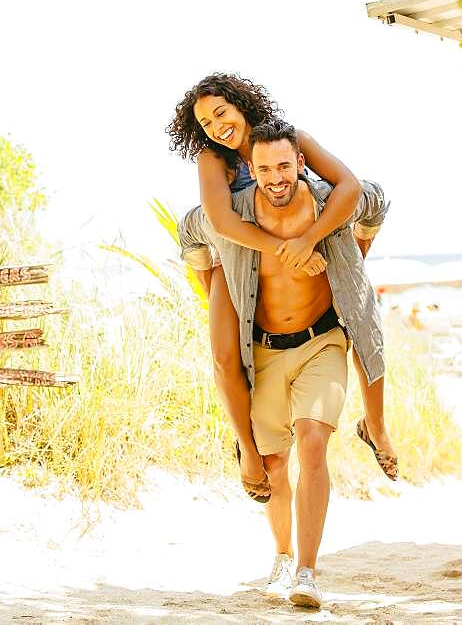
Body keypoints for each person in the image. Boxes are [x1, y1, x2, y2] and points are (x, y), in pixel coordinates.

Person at [178, 120, 389, 608]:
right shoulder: (231, 216)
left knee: (314, 441)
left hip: (322, 342)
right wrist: (211, 289)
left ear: (300, 164)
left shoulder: (326, 203)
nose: (276, 177)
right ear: (250, 169)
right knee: (275, 464)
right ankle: (281, 554)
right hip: (265, 349)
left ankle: (307, 572)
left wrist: (357, 251)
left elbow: (375, 198)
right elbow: (188, 233)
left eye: (285, 166)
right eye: (265, 168)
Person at [167, 74, 398, 504]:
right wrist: (286, 250)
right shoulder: (212, 160)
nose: (216, 126)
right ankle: (248, 451)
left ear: (241, 104)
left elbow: (348, 186)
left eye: (221, 112)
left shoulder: (290, 141)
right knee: (223, 355)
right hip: (237, 259)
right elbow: (221, 223)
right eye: (205, 122)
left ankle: (376, 424)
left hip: (306, 248)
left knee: (358, 312)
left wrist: (309, 241)